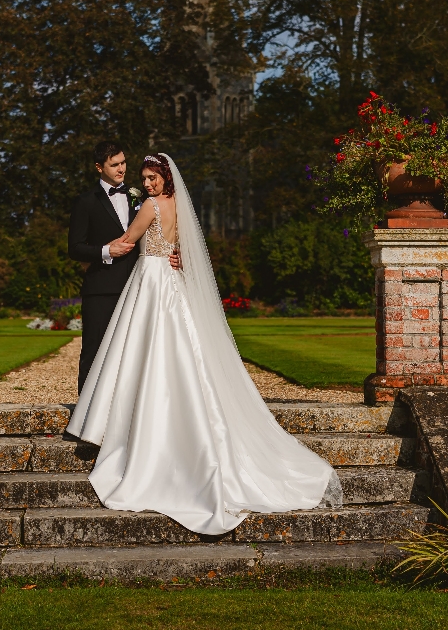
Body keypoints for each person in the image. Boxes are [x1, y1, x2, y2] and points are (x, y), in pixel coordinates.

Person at [66, 153, 342, 535]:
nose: (146, 184)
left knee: (141, 353)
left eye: (151, 178)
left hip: (149, 283)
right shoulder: (181, 204)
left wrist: (102, 251)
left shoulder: (148, 206)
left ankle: (139, 427)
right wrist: (168, 252)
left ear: (164, 177)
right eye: (143, 179)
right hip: (171, 283)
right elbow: (184, 247)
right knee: (179, 351)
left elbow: (128, 241)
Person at [67, 140, 180, 393]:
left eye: (123, 162)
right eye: (114, 164)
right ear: (99, 167)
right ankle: (86, 420)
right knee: (94, 352)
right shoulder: (85, 202)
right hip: (102, 289)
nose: (121, 169)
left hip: (141, 288)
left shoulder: (142, 195)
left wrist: (177, 254)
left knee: (136, 357)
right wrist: (107, 250)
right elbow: (74, 248)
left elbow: (165, 232)